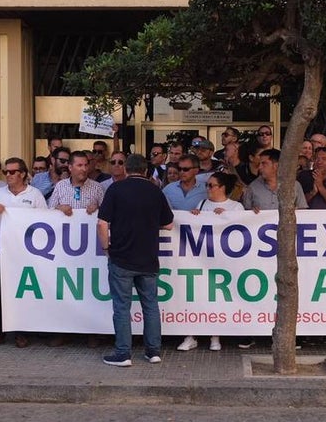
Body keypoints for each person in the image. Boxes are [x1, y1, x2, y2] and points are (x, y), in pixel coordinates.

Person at [98, 153, 175, 366]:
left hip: (121, 257)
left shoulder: (115, 189)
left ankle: (123, 353)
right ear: (146, 170)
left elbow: (102, 224)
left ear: (126, 169)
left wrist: (106, 247)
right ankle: (153, 351)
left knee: (121, 307)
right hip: (148, 258)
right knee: (150, 305)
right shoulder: (155, 191)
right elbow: (168, 224)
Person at [0, 157, 47, 348]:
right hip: (2, 250)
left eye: (12, 172)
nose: (8, 175)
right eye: (6, 172)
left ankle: (22, 332)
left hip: (27, 253)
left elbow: (45, 221)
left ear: (23, 174)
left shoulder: (35, 195)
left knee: (24, 292)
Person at [177, 172, 245, 353]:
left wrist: (227, 217)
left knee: (217, 299)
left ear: (222, 187)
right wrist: (194, 215)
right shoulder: (202, 204)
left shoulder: (236, 207)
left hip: (224, 262)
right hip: (201, 260)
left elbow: (244, 231)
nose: (207, 189)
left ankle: (215, 336)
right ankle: (191, 336)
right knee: (197, 298)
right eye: (207, 185)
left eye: (211, 185)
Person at [242, 149, 307, 212]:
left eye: (264, 163)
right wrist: (251, 212)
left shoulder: (294, 186)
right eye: (259, 164)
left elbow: (303, 211)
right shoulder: (253, 187)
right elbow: (244, 213)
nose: (259, 167)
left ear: (276, 165)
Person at [48, 151, 104, 215]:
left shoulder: (97, 187)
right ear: (70, 167)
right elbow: (50, 209)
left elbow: (106, 211)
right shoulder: (60, 186)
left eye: (86, 165)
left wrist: (97, 208)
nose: (84, 169)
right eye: (80, 165)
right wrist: (59, 208)